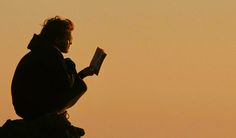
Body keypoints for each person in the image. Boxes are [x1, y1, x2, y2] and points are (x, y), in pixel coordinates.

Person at [9, 16, 94, 137]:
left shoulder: (39, 52)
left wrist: (82, 74)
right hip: (36, 107)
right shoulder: (52, 52)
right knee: (81, 86)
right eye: (68, 39)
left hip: (26, 107)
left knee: (77, 79)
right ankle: (56, 119)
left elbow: (56, 82)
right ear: (58, 39)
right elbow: (65, 84)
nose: (71, 42)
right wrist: (71, 66)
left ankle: (59, 121)